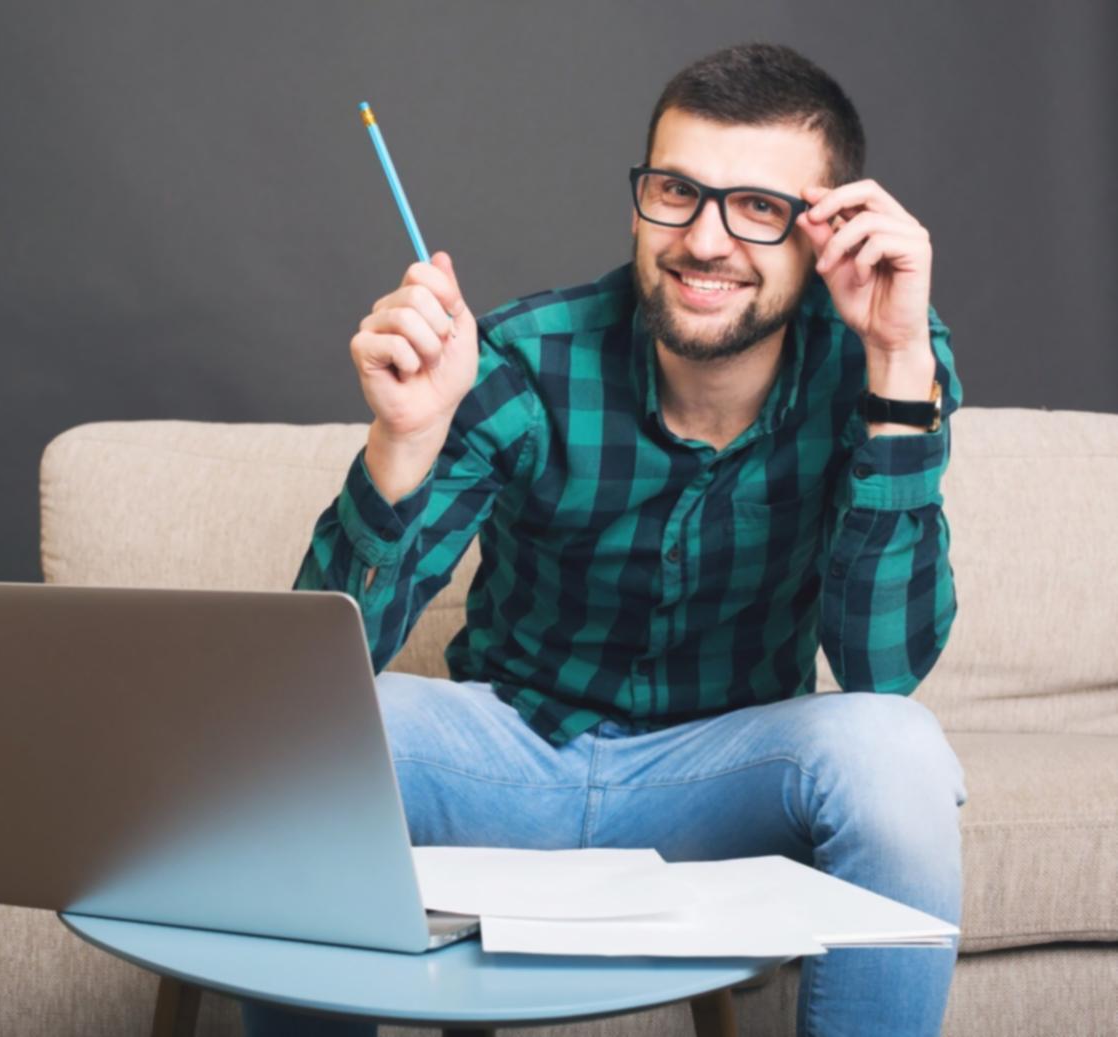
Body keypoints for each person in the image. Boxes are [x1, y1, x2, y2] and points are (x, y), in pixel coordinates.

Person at [245, 41, 966, 1037]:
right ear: (640, 202)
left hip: (723, 781)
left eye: (758, 207)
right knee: (300, 740)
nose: (704, 239)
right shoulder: (523, 358)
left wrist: (894, 365)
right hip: (509, 755)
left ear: (826, 234)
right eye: (677, 190)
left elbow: (884, 670)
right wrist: (402, 443)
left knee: (897, 750)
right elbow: (305, 674)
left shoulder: (884, 362)